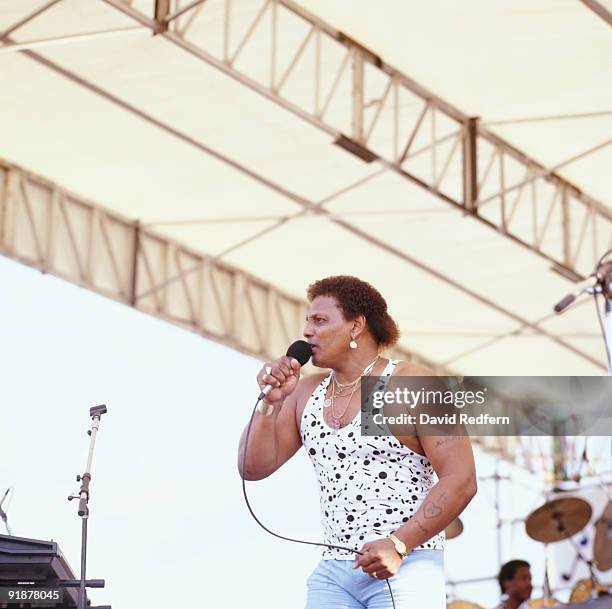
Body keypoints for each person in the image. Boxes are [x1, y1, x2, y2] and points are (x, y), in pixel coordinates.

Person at [238, 275, 477, 608]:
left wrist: (398, 544)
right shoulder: (306, 392)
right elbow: (252, 467)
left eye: (319, 320)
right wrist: (271, 403)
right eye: (307, 321)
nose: (307, 331)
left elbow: (461, 478)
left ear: (356, 326)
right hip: (335, 571)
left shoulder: (411, 382)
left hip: (407, 564)